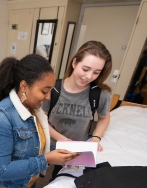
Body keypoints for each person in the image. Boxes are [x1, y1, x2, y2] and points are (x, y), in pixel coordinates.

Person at [0, 54, 79, 188]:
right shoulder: (1, 118)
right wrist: (47, 160)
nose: (48, 97)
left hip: (27, 185)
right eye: (44, 90)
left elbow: (34, 144)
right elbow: (2, 171)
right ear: (24, 86)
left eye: (50, 90)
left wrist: (64, 152)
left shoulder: (34, 110)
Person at [42, 40, 113, 180]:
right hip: (48, 143)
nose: (89, 77)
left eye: (96, 72)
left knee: (60, 179)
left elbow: (104, 118)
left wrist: (95, 138)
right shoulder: (52, 88)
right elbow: (41, 118)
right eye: (85, 69)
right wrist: (61, 139)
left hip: (76, 147)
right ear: (74, 63)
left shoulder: (100, 94)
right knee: (34, 176)